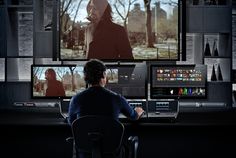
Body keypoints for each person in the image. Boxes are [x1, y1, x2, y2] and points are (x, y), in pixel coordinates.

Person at [68, 59, 144, 157]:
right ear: (104, 75)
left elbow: (72, 123)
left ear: (86, 78)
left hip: (85, 154)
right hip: (112, 154)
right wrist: (138, 111)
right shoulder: (116, 98)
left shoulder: (76, 99)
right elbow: (134, 116)